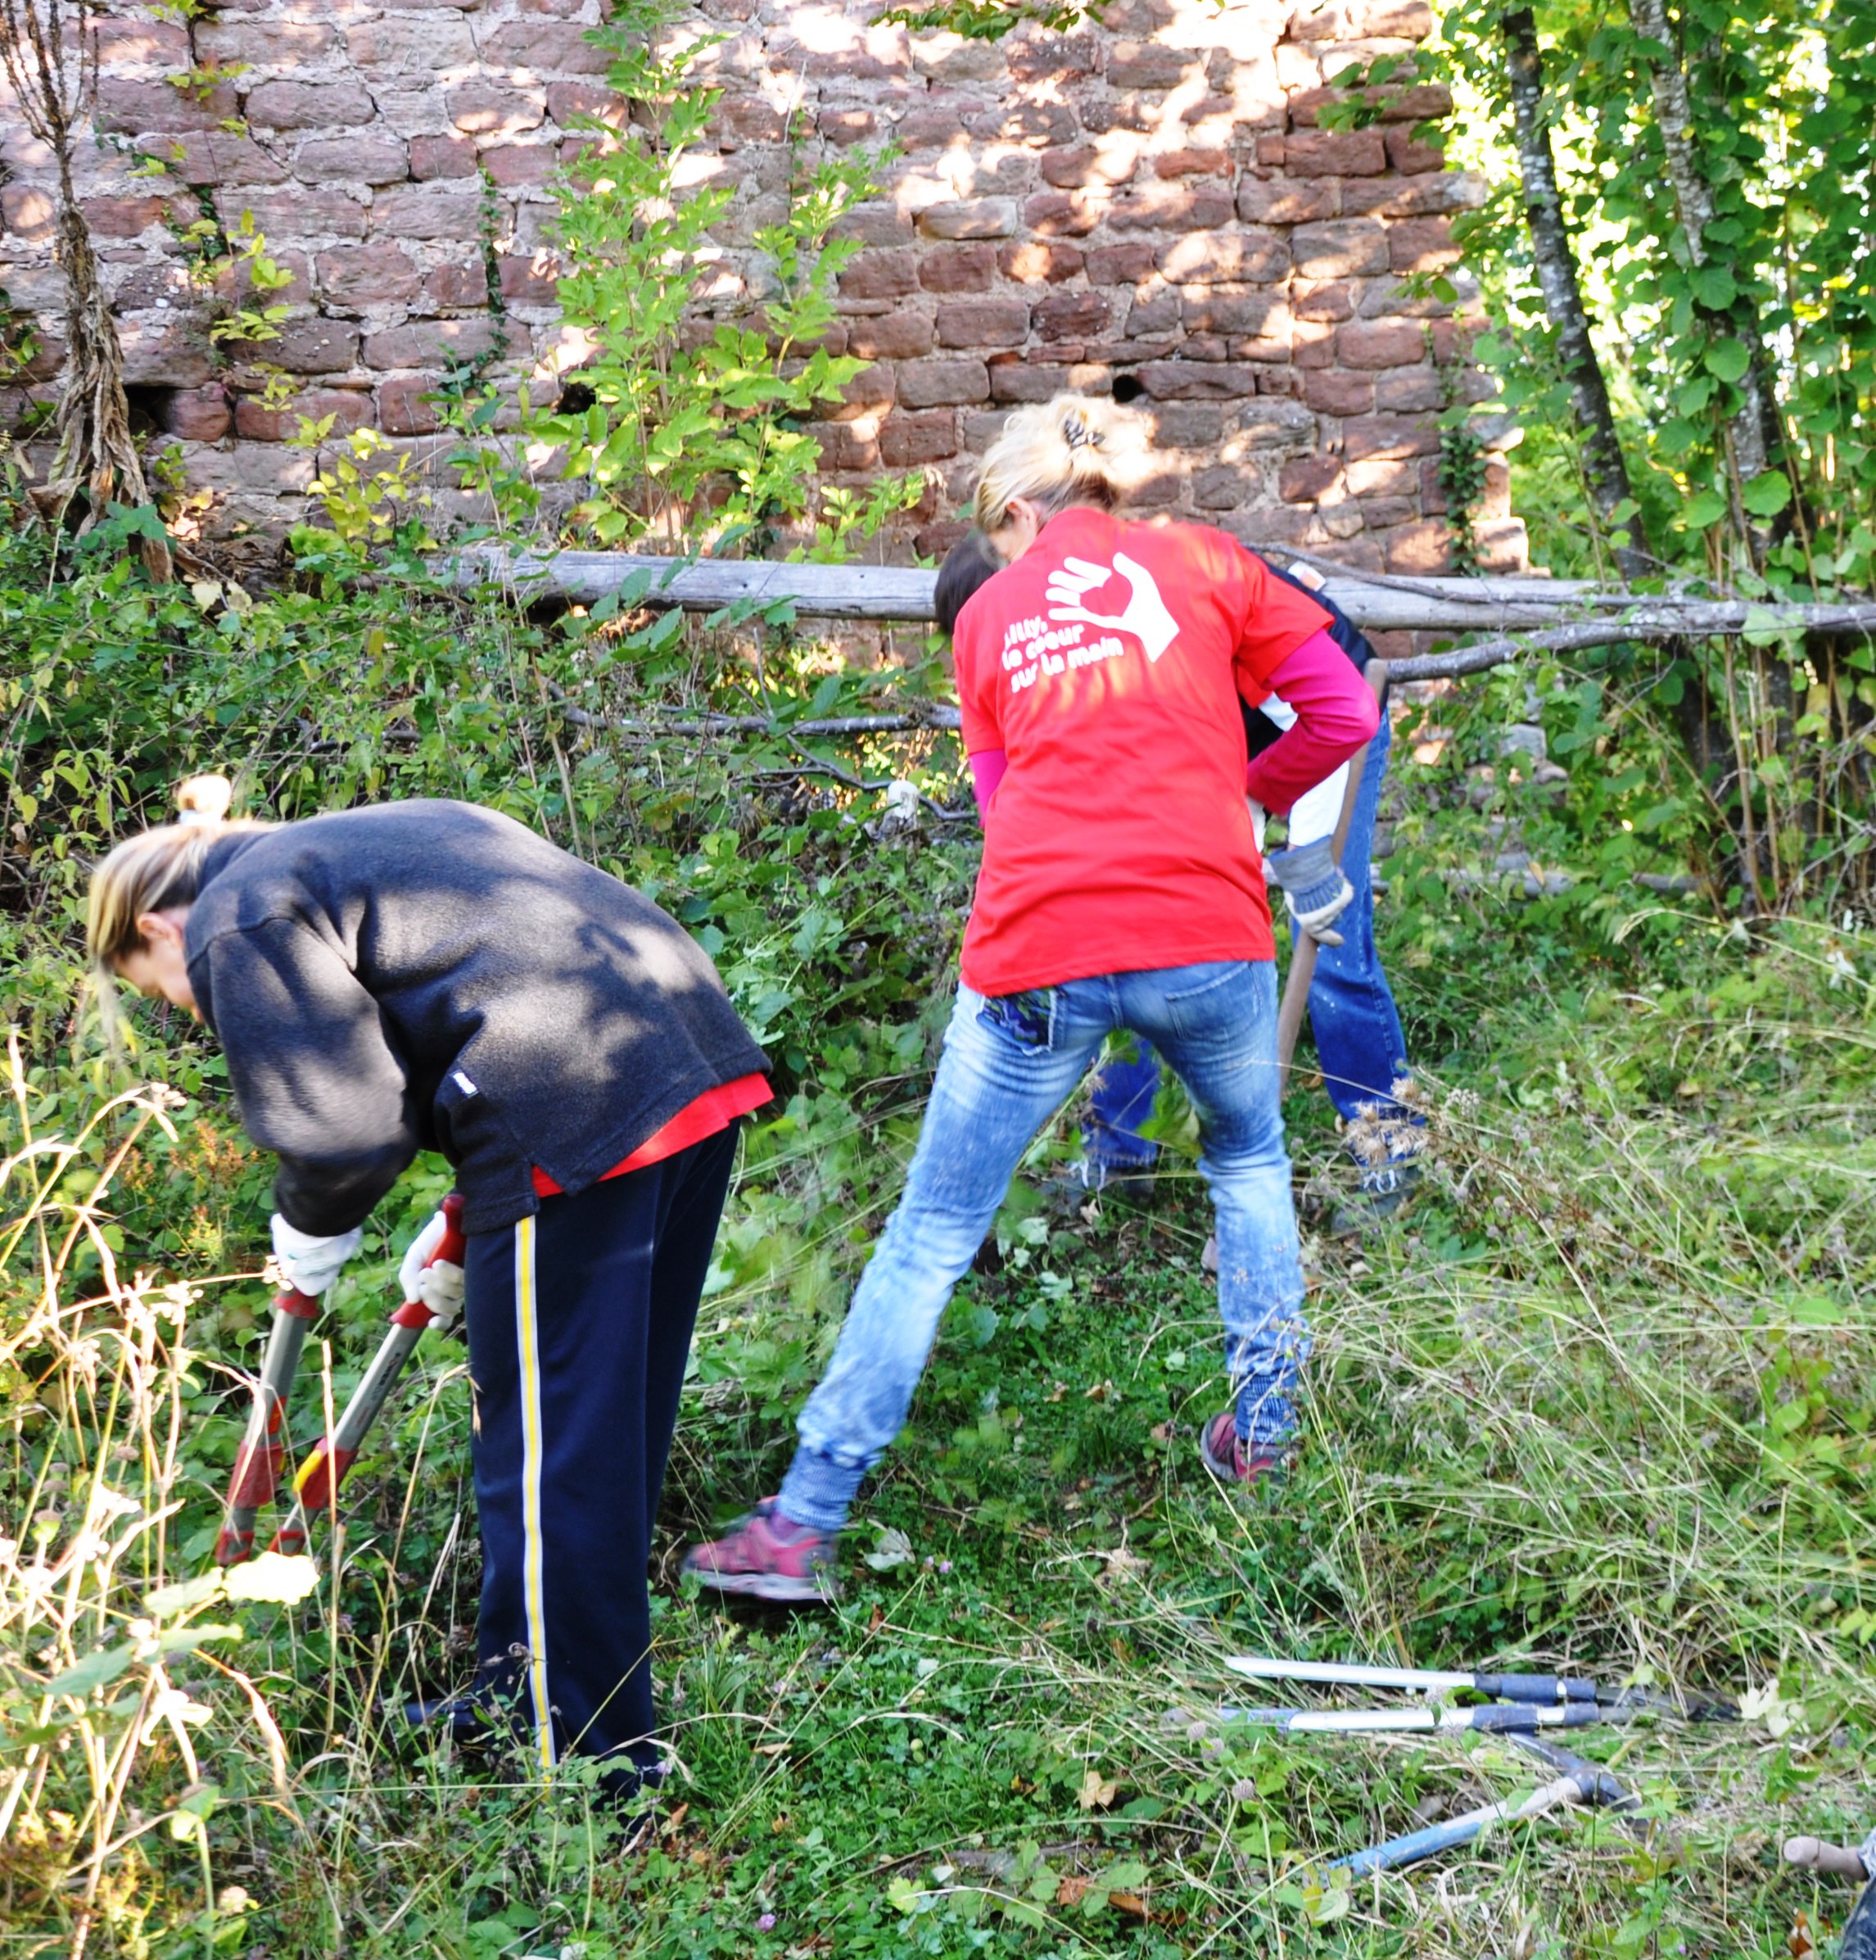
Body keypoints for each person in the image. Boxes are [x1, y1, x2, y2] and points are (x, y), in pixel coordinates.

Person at [686, 398, 1374, 1605]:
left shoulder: (989, 615)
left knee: (930, 1234)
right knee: (1249, 1166)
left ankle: (801, 1525)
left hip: (1038, 950)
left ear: (1016, 511)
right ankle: (1266, 1447)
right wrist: (1241, 795)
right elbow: (1347, 711)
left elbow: (1006, 814)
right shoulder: (1211, 561)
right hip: (1205, 933)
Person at [88, 779, 771, 1798]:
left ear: (155, 928)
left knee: (545, 1457)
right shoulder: (371, 840)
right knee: (596, 1436)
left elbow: (342, 1127)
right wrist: (469, 1211)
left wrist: (309, 1226)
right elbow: (480, 996)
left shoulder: (239, 914)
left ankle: (588, 1769)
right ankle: (520, 1698)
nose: (182, 1004)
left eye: (156, 989)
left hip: (572, 1110)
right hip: (682, 1063)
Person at [933, 532, 1426, 1225]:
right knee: (1131, 930)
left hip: (1326, 723)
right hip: (1228, 743)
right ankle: (1121, 1150)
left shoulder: (1120, 598)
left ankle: (1389, 1154)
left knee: (1330, 942)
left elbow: (1331, 709)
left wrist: (1263, 826)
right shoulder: (1048, 650)